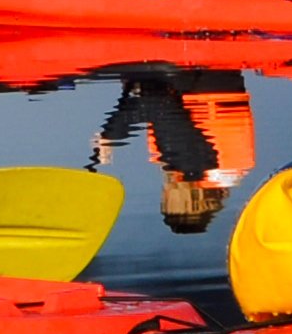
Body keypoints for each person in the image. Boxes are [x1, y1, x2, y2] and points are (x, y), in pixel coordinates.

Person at [96, 66, 262, 232]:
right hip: (192, 75)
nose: (164, 192)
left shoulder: (234, 171)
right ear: (180, 201)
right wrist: (111, 136)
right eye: (166, 199)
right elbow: (155, 104)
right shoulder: (192, 166)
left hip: (225, 75)